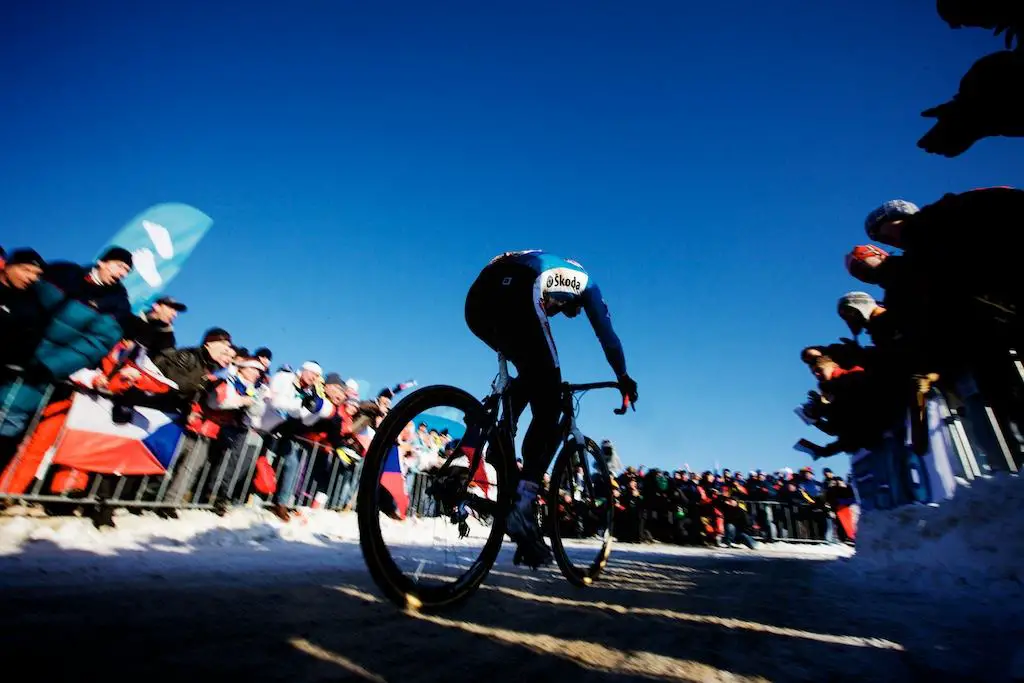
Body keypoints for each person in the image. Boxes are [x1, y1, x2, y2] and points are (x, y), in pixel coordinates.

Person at [464, 249, 638, 567]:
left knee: (531, 374)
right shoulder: (587, 284)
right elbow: (607, 336)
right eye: (566, 309)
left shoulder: (545, 263)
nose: (566, 313)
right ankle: (524, 503)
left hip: (477, 299)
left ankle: (500, 442)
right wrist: (623, 377)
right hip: (517, 288)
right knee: (550, 394)